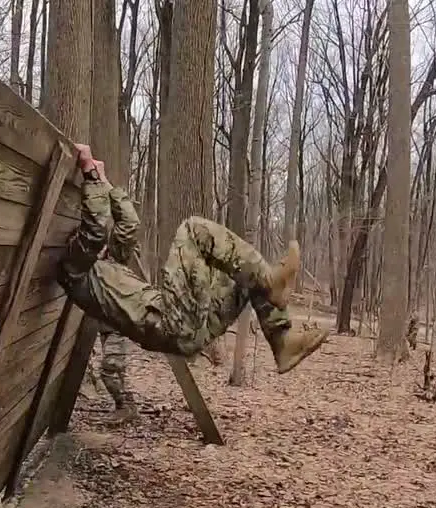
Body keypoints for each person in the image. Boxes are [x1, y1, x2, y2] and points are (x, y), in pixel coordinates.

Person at [58, 144, 329, 373]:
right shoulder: (75, 271)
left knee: (246, 277)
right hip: (170, 324)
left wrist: (103, 181)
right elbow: (93, 232)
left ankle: (282, 343)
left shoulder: (105, 265)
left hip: (190, 326)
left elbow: (129, 224)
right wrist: (90, 174)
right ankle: (270, 281)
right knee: (193, 230)